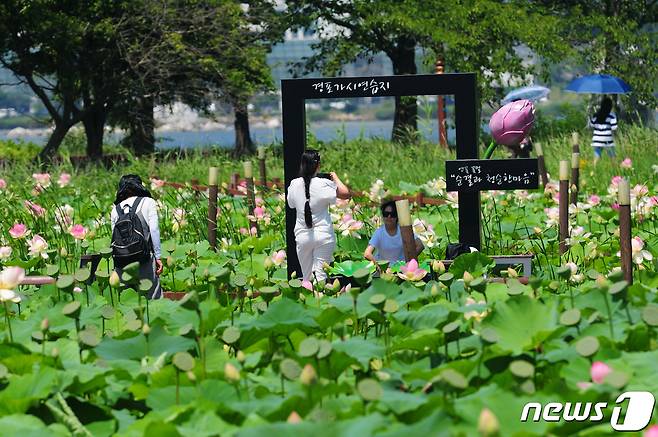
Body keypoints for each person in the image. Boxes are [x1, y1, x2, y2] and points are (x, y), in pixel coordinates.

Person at [287, 150, 350, 282]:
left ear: (302, 165)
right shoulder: (323, 183)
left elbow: (291, 204)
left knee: (307, 278)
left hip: (302, 237)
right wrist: (335, 177)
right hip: (324, 236)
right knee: (320, 277)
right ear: (318, 165)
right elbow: (345, 193)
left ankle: (309, 300)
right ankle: (321, 301)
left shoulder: (294, 184)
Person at [110, 174, 163, 299]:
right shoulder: (148, 202)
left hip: (123, 261)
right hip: (144, 259)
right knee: (153, 298)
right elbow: (154, 230)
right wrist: (158, 256)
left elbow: (115, 239)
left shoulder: (115, 210)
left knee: (128, 301)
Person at [364, 200, 423, 266]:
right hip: (383, 269)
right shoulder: (379, 232)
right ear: (383, 216)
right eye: (386, 214)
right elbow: (367, 254)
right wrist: (379, 266)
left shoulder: (404, 230)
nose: (389, 217)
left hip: (401, 268)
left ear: (397, 216)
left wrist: (409, 260)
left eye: (393, 214)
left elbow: (420, 245)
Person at [589, 96, 618, 164]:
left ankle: (593, 170)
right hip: (607, 138)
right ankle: (615, 171)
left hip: (597, 139)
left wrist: (592, 116)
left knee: (597, 156)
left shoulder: (596, 114)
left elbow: (591, 125)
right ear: (610, 106)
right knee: (612, 156)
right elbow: (614, 127)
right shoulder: (611, 115)